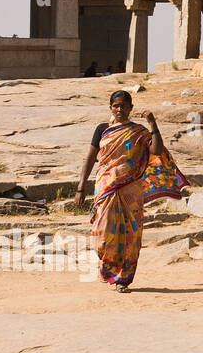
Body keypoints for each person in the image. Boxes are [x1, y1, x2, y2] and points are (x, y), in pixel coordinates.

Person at [73, 90, 189, 292]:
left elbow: (157, 151)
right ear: (110, 107)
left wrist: (153, 124)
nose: (120, 109)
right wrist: (80, 186)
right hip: (105, 186)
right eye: (116, 105)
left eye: (124, 106)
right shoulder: (102, 129)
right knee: (101, 232)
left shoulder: (139, 131)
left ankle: (122, 279)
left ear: (131, 108)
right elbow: (91, 158)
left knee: (130, 233)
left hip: (131, 188)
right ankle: (108, 266)